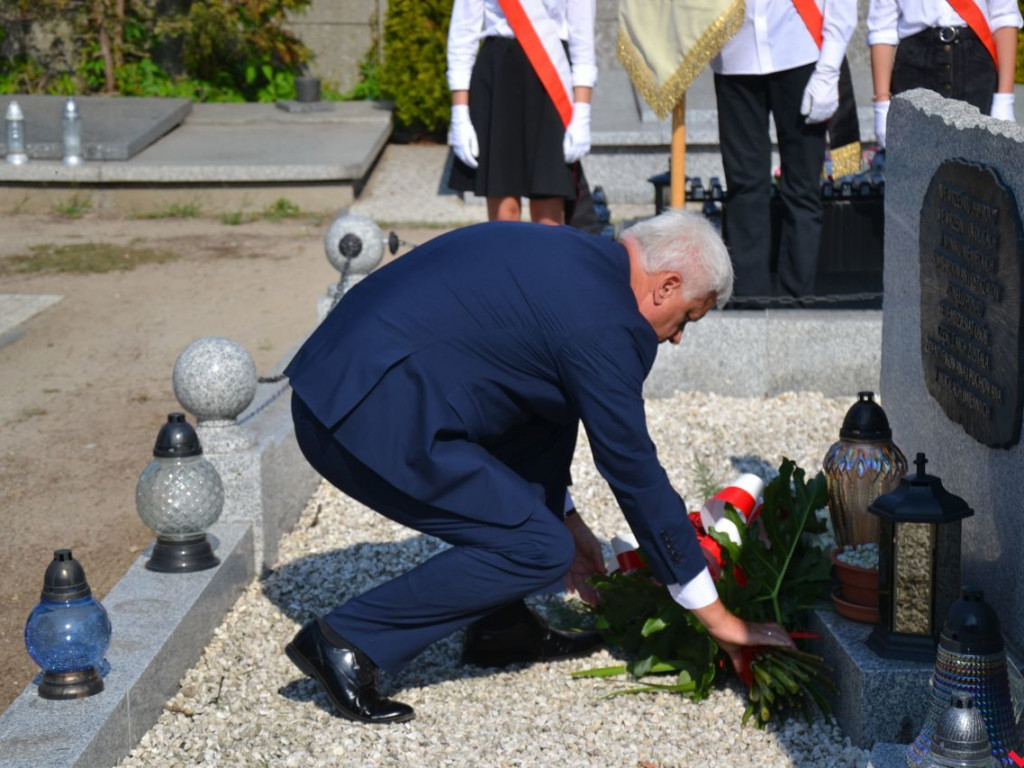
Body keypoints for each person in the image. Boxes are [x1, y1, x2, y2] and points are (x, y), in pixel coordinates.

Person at [282, 210, 796, 724]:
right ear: (666, 287)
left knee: (545, 536)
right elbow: (632, 466)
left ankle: (499, 626)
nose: (679, 336)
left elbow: (541, 406)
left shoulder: (579, 260)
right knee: (537, 548)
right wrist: (716, 615)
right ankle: (345, 642)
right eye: (689, 317)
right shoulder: (608, 323)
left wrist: (568, 519)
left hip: (348, 378)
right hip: (357, 413)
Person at [711, 0, 856, 303]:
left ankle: (796, 301)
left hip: (800, 51)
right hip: (735, 53)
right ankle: (749, 299)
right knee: (744, 187)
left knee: (802, 189)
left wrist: (829, 68)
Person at [445, 0, 596, 226]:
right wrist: (459, 113)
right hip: (498, 77)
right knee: (505, 214)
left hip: (552, 77)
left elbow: (582, 38)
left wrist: (582, 111)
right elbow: (463, 34)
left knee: (549, 209)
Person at [867, 0, 1022, 148]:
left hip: (975, 66)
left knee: (976, 168)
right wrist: (882, 104)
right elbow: (882, 29)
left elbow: (1004, 17)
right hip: (916, 66)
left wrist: (1004, 100)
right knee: (919, 167)